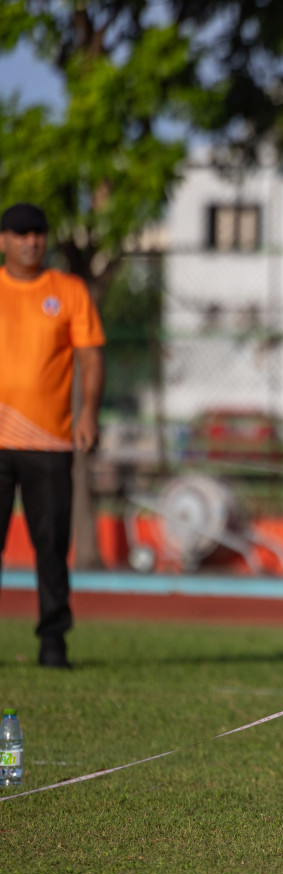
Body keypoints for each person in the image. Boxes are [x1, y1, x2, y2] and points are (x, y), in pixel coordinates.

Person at [0, 203, 105, 669]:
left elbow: (90, 358)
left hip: (50, 440)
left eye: (38, 233)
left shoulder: (68, 290)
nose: (31, 241)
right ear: (3, 239)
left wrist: (89, 415)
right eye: (21, 233)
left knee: (51, 545)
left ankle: (53, 642)